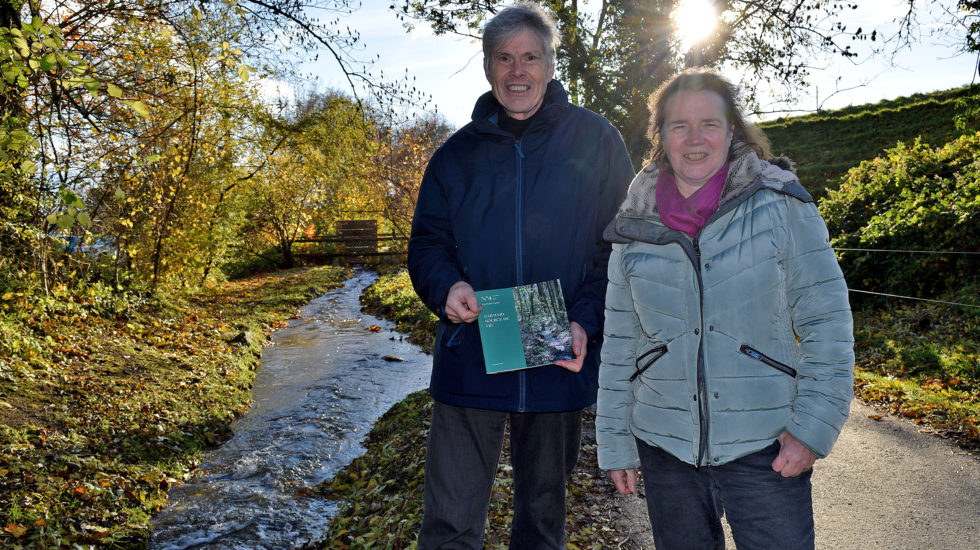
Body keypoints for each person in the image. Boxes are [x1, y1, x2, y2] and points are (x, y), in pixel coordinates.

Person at [595, 67, 854, 550]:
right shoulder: (634, 225)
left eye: (709, 124)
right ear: (661, 137)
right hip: (665, 448)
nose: (695, 139)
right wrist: (615, 443)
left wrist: (811, 430)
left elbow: (827, 322)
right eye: (679, 126)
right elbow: (621, 345)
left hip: (768, 445)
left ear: (732, 130)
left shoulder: (781, 206)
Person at [407, 2, 634, 548]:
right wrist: (447, 288)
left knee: (540, 526)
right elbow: (427, 245)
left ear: (552, 65)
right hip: (471, 356)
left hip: (559, 354)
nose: (518, 71)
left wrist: (584, 321)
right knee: (450, 526)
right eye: (504, 58)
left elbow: (623, 251)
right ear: (488, 67)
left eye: (530, 57)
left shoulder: (596, 142)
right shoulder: (454, 157)